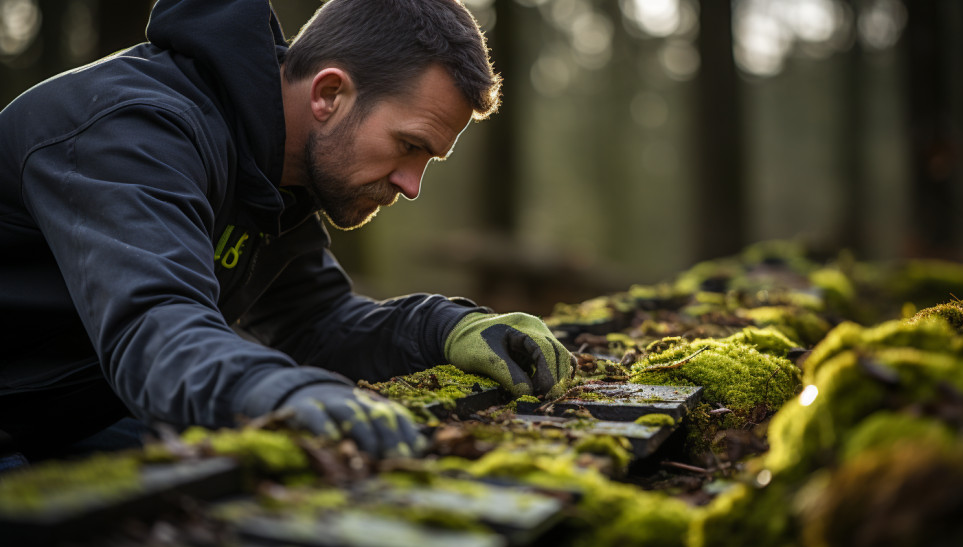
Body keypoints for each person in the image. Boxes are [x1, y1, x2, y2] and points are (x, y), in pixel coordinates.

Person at [0, 0, 574, 463]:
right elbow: (155, 328)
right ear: (329, 94)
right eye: (409, 146)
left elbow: (314, 321)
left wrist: (449, 328)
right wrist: (288, 391)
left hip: (72, 413)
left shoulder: (275, 167)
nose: (411, 184)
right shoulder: (132, 130)